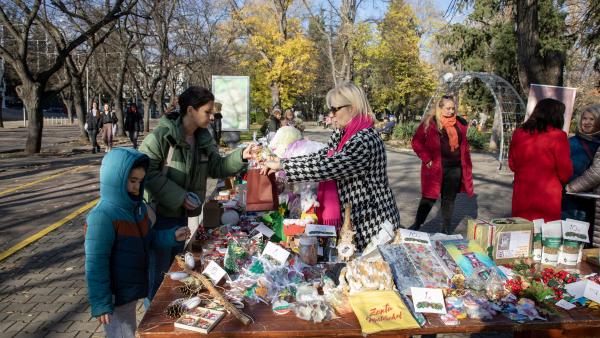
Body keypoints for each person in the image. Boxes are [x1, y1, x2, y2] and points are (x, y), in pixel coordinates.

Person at [139, 86, 256, 302]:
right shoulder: (161, 137)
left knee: (174, 271)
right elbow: (145, 173)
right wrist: (180, 196)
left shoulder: (202, 139)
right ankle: (152, 325)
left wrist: (242, 155)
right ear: (191, 110)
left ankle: (167, 314)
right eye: (208, 112)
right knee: (157, 278)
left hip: (181, 216)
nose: (212, 117)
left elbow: (217, 167)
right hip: (159, 218)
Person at [260, 82, 401, 251]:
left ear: (352, 107)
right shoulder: (343, 134)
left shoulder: (365, 139)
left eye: (335, 109)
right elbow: (321, 156)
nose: (331, 115)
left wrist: (284, 165)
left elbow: (330, 166)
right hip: (354, 218)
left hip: (371, 221)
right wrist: (282, 162)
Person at [85, 148, 190, 338]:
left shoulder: (137, 208)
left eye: (140, 182)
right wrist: (101, 302)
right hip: (116, 294)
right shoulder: (102, 216)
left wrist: (171, 236)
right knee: (122, 333)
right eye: (132, 181)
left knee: (129, 330)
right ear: (115, 179)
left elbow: (148, 239)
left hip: (131, 287)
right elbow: (96, 263)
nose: (136, 187)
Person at [410, 95, 474, 234]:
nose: (451, 111)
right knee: (428, 197)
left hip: (455, 169)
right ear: (440, 108)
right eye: (448, 108)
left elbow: (464, 145)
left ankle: (445, 231)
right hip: (435, 169)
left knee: (449, 200)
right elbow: (416, 142)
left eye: (453, 108)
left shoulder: (460, 123)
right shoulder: (430, 123)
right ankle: (417, 224)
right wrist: (427, 159)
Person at [509, 98, 573, 221]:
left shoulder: (519, 133)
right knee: (545, 235)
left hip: (522, 192)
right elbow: (565, 172)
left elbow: (512, 164)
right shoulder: (558, 136)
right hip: (547, 194)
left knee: (521, 231)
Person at [562, 105, 600, 223]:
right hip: (569, 198)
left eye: (591, 119)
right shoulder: (571, 142)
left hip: (592, 200)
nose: (587, 122)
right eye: (584, 118)